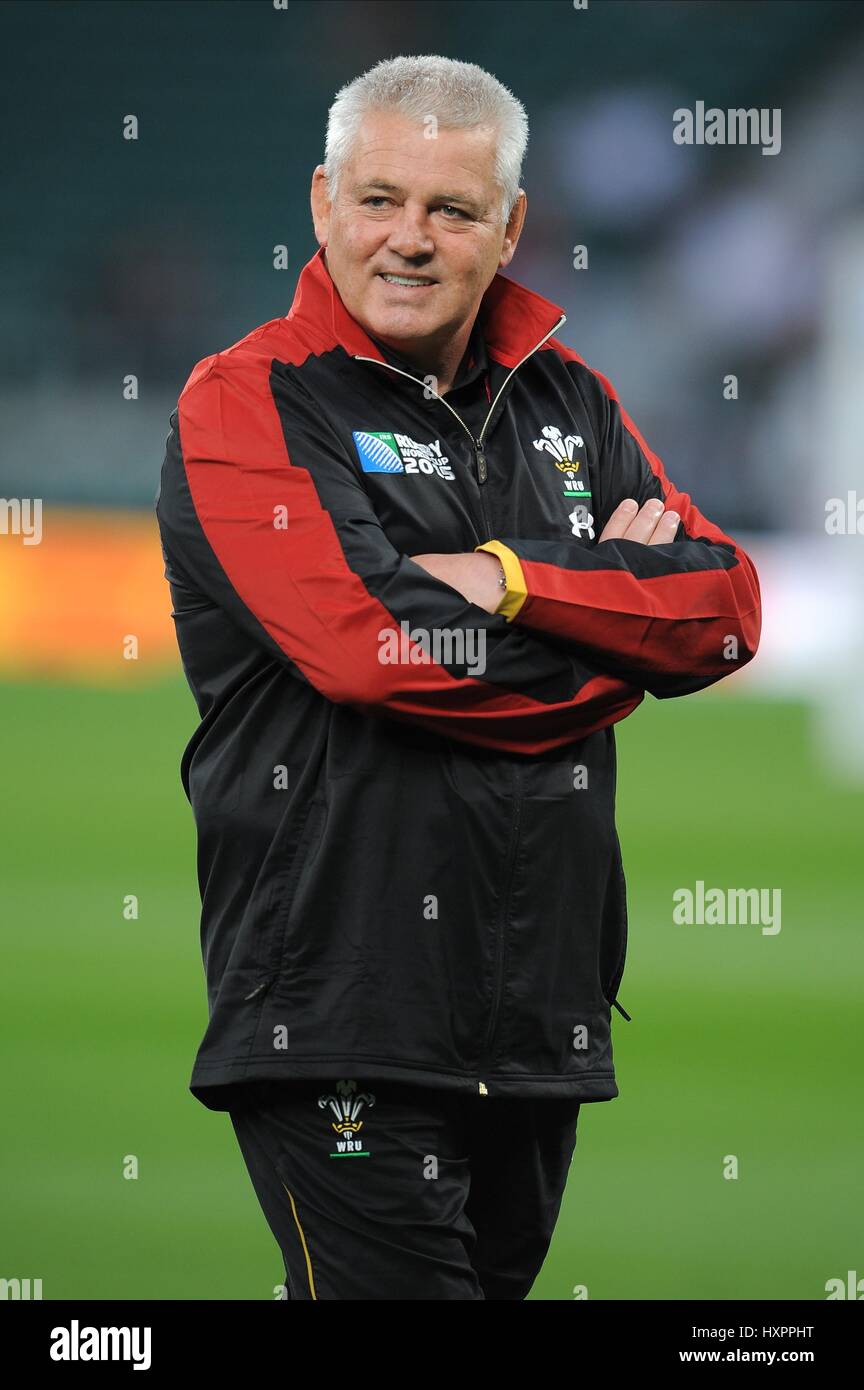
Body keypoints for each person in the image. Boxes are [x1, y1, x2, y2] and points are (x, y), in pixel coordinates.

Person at [155, 54, 761, 1300]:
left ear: (513, 226)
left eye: (452, 209)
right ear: (322, 201)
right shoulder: (245, 400)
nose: (410, 240)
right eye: (380, 200)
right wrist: (610, 637)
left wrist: (514, 580)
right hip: (334, 1015)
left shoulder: (572, 398)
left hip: (537, 1019)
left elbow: (725, 611)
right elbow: (368, 648)